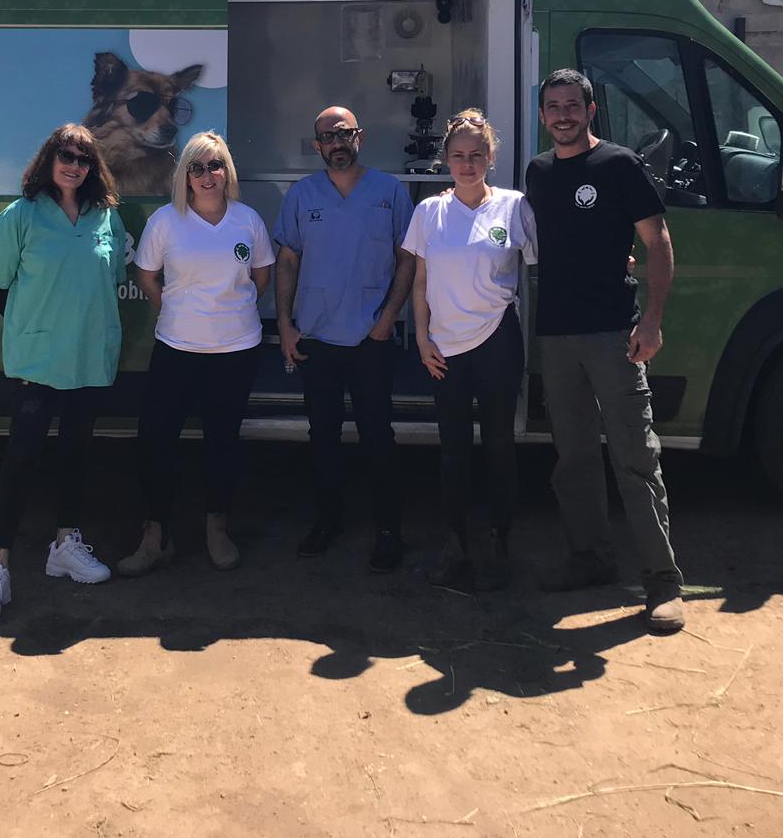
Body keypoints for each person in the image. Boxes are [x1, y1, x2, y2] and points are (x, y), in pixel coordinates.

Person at [524, 68, 684, 634]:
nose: (563, 115)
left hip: (615, 333)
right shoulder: (538, 172)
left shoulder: (618, 165)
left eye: (573, 105)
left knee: (635, 456)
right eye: (553, 106)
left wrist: (654, 320)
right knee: (574, 458)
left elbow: (657, 240)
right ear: (542, 115)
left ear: (591, 111)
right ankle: (589, 558)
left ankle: (662, 581)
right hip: (558, 335)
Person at [0, 123, 128, 622]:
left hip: (89, 357)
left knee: (77, 453)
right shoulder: (19, 216)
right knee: (21, 458)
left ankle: (65, 546)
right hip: (37, 361)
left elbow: (111, 279)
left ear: (92, 167)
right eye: (65, 155)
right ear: (48, 159)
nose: (73, 165)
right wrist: (28, 324)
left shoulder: (107, 218)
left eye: (83, 158)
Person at [117, 132, 274, 576]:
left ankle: (217, 529)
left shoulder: (248, 221)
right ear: (184, 176)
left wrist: (225, 310)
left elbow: (261, 277)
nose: (207, 176)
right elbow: (148, 277)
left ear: (228, 172)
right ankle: (155, 536)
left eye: (215, 166)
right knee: (155, 442)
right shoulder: (166, 222)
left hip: (236, 351)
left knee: (221, 443)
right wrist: (180, 310)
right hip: (176, 350)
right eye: (197, 168)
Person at [274, 106, 415, 571]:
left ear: (360, 137)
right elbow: (289, 261)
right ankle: (327, 521)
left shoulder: (389, 193)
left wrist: (388, 318)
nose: (336, 142)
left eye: (344, 133)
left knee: (379, 436)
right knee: (324, 438)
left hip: (371, 337)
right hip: (317, 337)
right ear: (316, 146)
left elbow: (407, 260)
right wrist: (286, 323)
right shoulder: (302, 195)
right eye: (327, 136)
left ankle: (388, 529)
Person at [403, 111, 537, 590]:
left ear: (491, 158)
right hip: (445, 348)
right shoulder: (429, 213)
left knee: (500, 445)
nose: (467, 163)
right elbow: (420, 282)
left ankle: (501, 539)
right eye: (458, 156)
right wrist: (422, 338)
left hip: (499, 340)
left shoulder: (514, 207)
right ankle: (455, 543)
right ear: (446, 160)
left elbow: (549, 261)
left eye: (476, 155)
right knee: (453, 450)